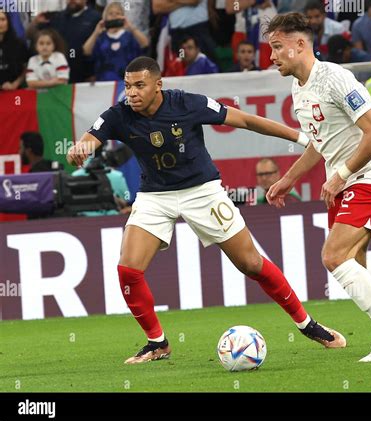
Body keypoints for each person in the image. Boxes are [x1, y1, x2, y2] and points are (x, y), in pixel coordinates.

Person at [67, 56, 346, 364]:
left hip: (202, 191)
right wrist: (80, 150)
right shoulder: (119, 115)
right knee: (128, 270)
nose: (131, 93)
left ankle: (308, 326)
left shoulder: (187, 104)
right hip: (154, 195)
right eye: (128, 86)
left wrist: (300, 136)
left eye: (139, 86)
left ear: (158, 85)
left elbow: (244, 120)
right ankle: (157, 343)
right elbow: (89, 139)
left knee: (251, 264)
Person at [265, 13, 371, 362]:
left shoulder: (336, 78)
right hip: (342, 184)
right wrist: (288, 179)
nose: (271, 56)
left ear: (300, 44)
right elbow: (321, 142)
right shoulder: (298, 88)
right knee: (355, 264)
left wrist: (341, 173)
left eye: (277, 47)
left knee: (333, 257)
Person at [27, 0, 101, 82]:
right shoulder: (57, 17)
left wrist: (92, 73)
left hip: (84, 72)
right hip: (57, 73)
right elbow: (32, 36)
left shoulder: (95, 17)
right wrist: (35, 23)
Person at [82, 2, 149, 82]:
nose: (114, 15)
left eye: (118, 13)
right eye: (110, 13)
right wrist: (96, 32)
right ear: (105, 17)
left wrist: (131, 28)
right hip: (104, 82)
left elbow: (145, 44)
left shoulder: (129, 36)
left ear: (123, 16)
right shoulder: (101, 38)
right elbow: (86, 51)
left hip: (127, 82)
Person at [0, 11, 28, 90]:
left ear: (8, 22)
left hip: (13, 91)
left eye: (3, 19)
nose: (0, 23)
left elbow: (26, 68)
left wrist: (15, 84)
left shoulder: (18, 44)